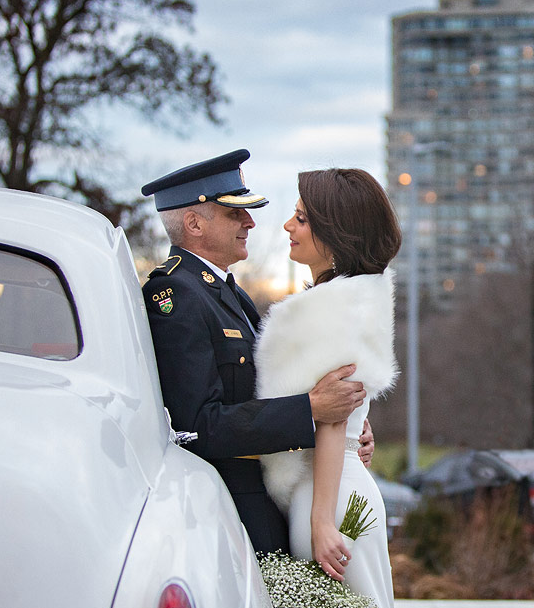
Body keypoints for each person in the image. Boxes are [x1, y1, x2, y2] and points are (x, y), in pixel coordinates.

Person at [140, 149, 375, 554]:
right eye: (235, 213)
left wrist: (341, 430)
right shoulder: (177, 295)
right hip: (230, 510)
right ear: (194, 223)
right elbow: (195, 426)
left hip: (261, 504)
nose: (250, 221)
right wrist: (310, 410)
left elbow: (260, 394)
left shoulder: (229, 295)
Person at [256, 168, 419, 608]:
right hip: (345, 489)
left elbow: (329, 421)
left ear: (334, 235)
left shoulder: (328, 310)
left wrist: (322, 522)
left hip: (327, 498)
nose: (287, 225)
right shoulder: (356, 301)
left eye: (301, 218)